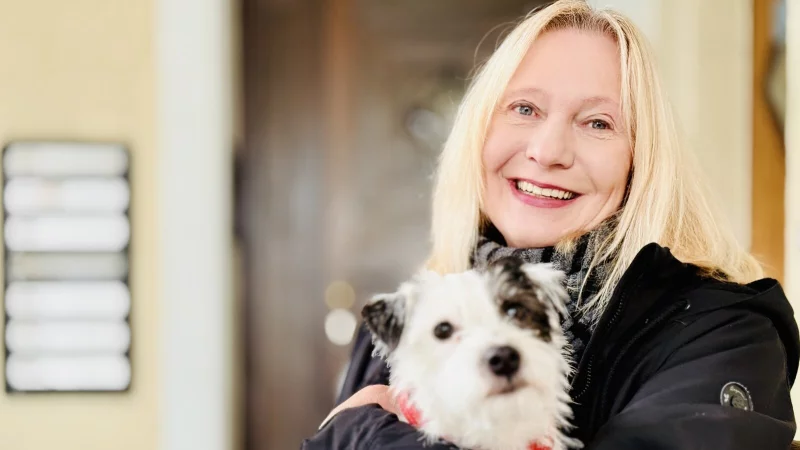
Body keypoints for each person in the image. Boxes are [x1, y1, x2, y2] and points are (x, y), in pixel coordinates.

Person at [301, 0, 800, 448]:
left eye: (598, 123)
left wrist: (360, 433)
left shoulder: (723, 332)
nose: (548, 151)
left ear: (641, 159)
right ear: (479, 131)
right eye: (524, 108)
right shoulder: (407, 324)